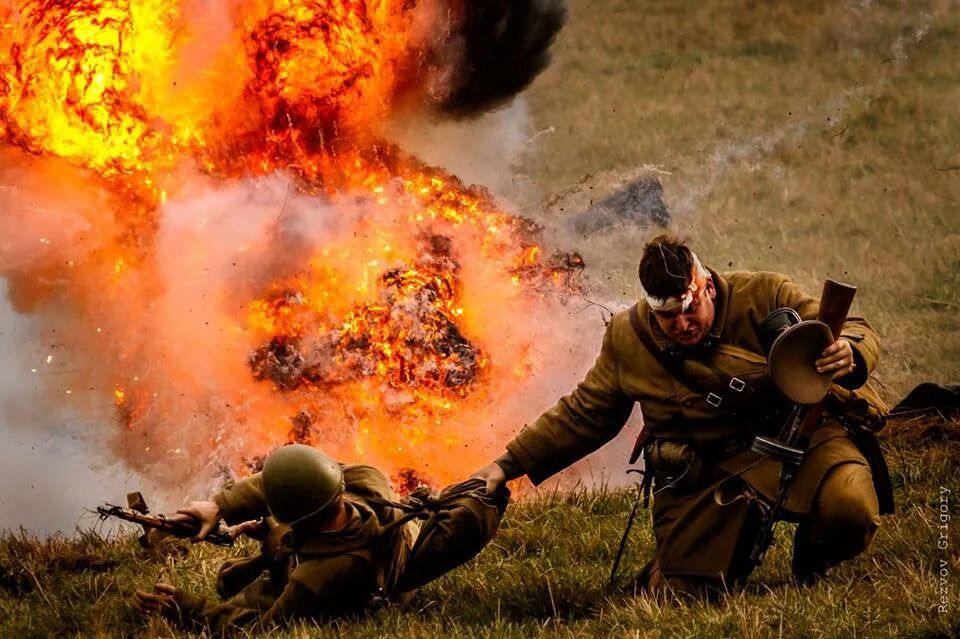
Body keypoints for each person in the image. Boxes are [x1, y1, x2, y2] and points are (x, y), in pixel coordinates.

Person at [471, 234, 893, 597]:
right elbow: (583, 415)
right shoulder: (629, 337)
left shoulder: (765, 293)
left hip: (801, 440)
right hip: (709, 470)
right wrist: (505, 467)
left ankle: (812, 559)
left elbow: (851, 326)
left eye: (690, 309)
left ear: (707, 284)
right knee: (681, 593)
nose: (683, 324)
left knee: (850, 510)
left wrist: (850, 351)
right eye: (668, 316)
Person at [134, 444, 508, 632]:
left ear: (297, 520)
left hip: (351, 584)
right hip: (366, 550)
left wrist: (186, 608)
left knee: (252, 590)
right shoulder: (369, 481)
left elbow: (263, 627)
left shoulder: (319, 577)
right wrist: (219, 506)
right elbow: (290, 481)